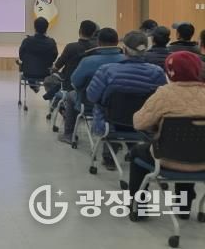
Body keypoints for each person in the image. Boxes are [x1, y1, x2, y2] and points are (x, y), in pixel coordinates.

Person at [129, 51, 205, 219]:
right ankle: (184, 207)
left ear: (170, 72)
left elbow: (139, 123)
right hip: (202, 162)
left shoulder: (164, 94)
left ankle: (138, 208)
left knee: (137, 152)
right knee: (193, 145)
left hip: (167, 159)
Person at [86, 31, 167, 170]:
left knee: (108, 110)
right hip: (143, 124)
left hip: (110, 123)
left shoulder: (106, 71)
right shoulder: (157, 73)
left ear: (124, 49)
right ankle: (132, 150)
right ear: (145, 50)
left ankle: (109, 156)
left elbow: (92, 96)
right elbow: (161, 100)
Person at [57, 28, 124, 144]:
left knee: (70, 95)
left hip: (90, 104)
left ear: (98, 42)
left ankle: (69, 134)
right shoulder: (126, 60)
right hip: (120, 106)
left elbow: (75, 82)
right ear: (117, 42)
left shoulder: (88, 61)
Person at [49, 20, 98, 98]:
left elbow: (57, 67)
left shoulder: (70, 47)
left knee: (49, 80)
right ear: (93, 34)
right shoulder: (96, 50)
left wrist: (52, 70)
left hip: (68, 83)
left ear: (79, 31)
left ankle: (57, 101)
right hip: (88, 85)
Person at [18, 17, 58, 92]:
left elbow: (21, 56)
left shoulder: (27, 41)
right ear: (47, 28)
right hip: (45, 73)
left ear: (35, 28)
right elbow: (54, 57)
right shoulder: (51, 42)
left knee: (31, 64)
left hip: (28, 73)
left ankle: (34, 86)